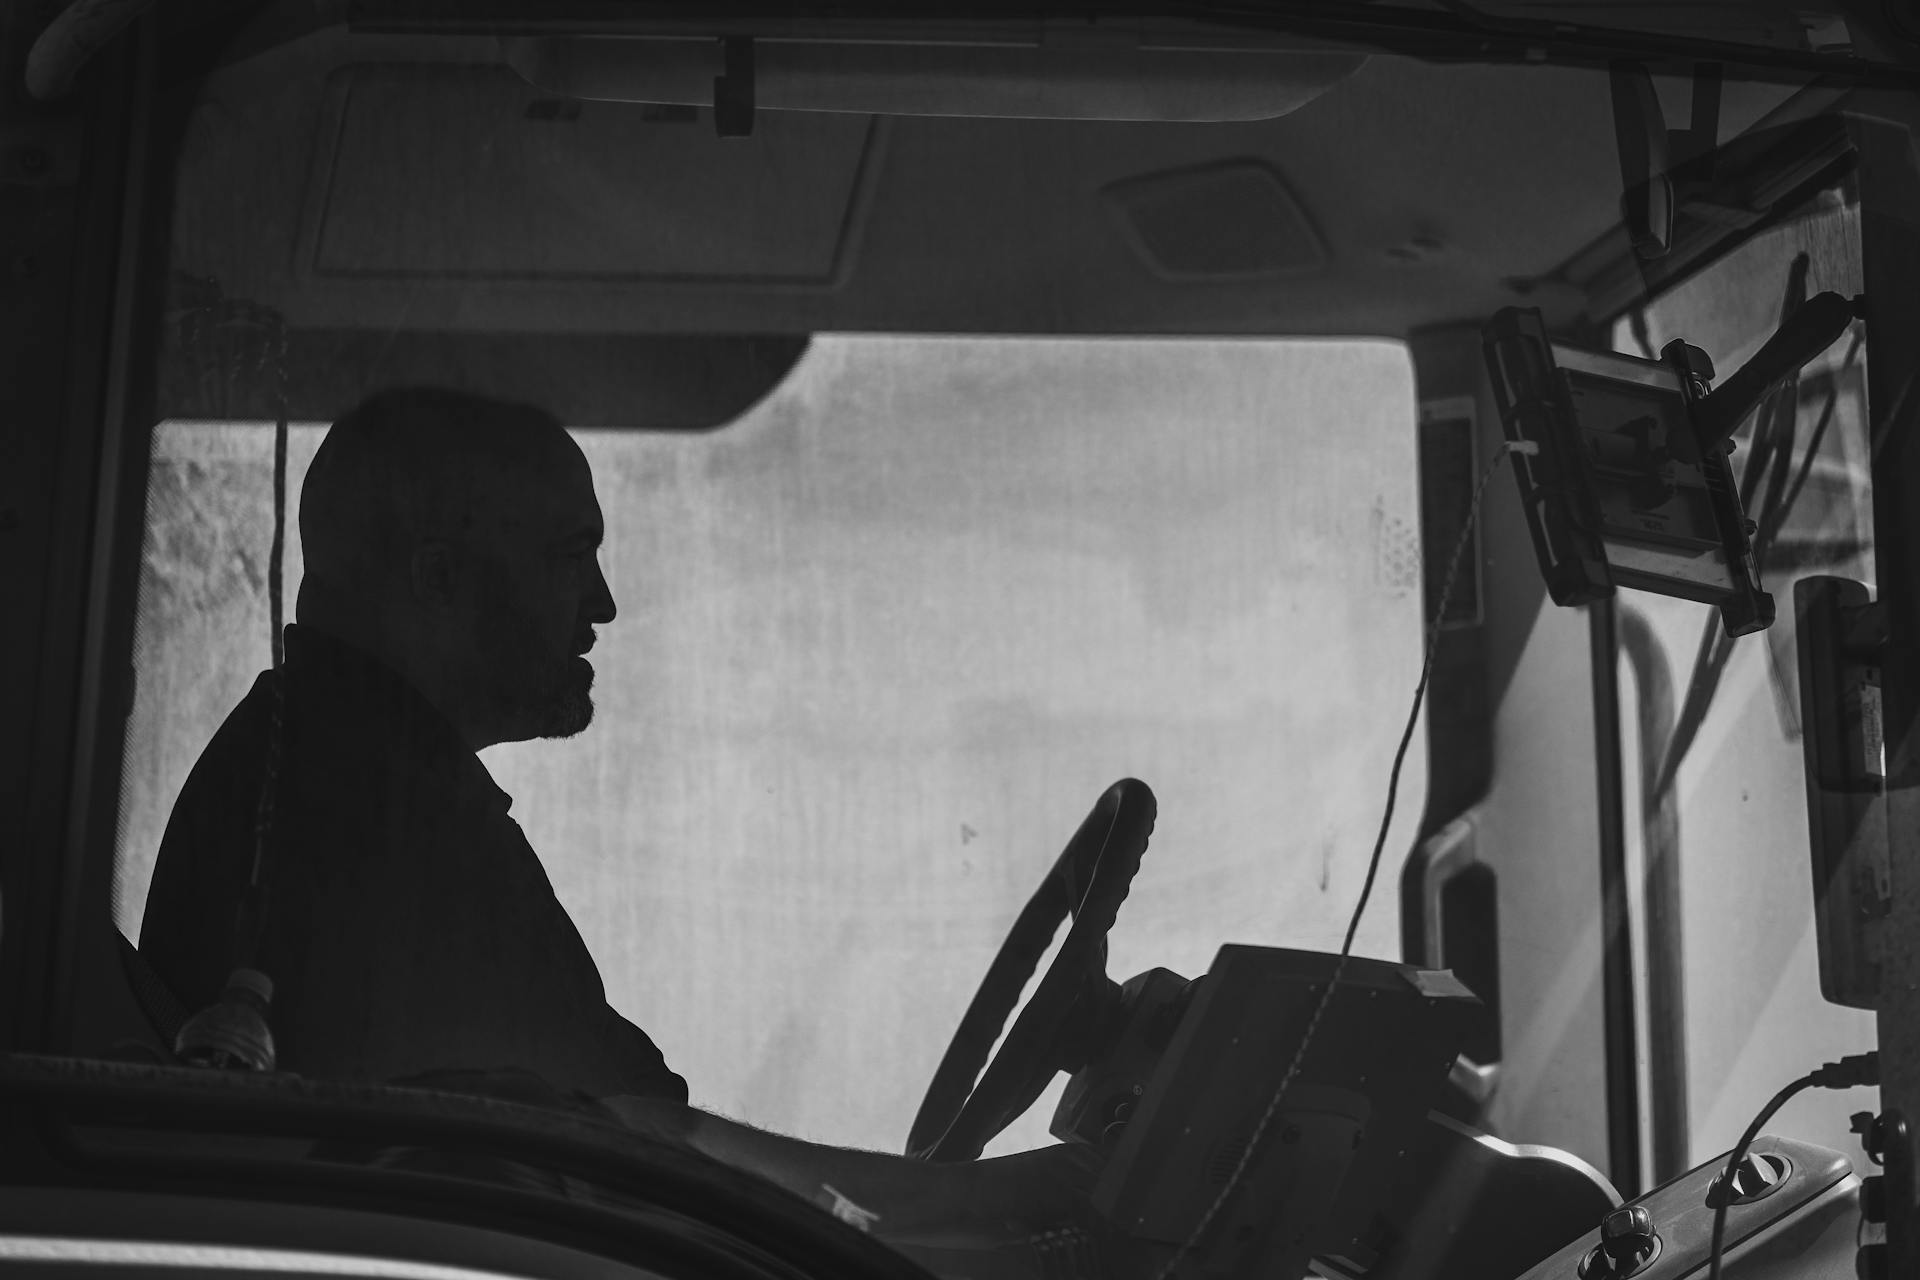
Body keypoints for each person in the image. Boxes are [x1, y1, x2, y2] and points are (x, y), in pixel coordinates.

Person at [139, 387, 1109, 1263]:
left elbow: (612, 1141)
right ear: (438, 577)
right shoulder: (367, 820)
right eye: (570, 556)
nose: (602, 604)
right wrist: (1023, 1204)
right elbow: (636, 1148)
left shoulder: (320, 764)